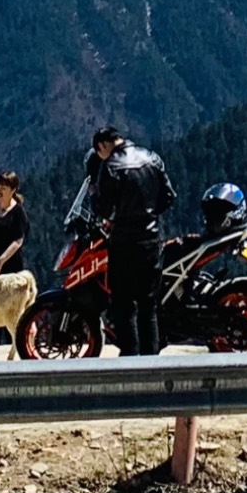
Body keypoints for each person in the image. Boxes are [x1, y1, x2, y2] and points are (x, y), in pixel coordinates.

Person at [73, 128, 174, 357]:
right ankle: (152, 360)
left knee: (124, 306)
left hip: (123, 244)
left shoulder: (111, 167)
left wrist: (94, 194)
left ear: (101, 147)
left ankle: (130, 359)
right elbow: (169, 197)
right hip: (151, 240)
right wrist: (149, 215)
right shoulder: (152, 157)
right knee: (148, 306)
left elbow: (103, 208)